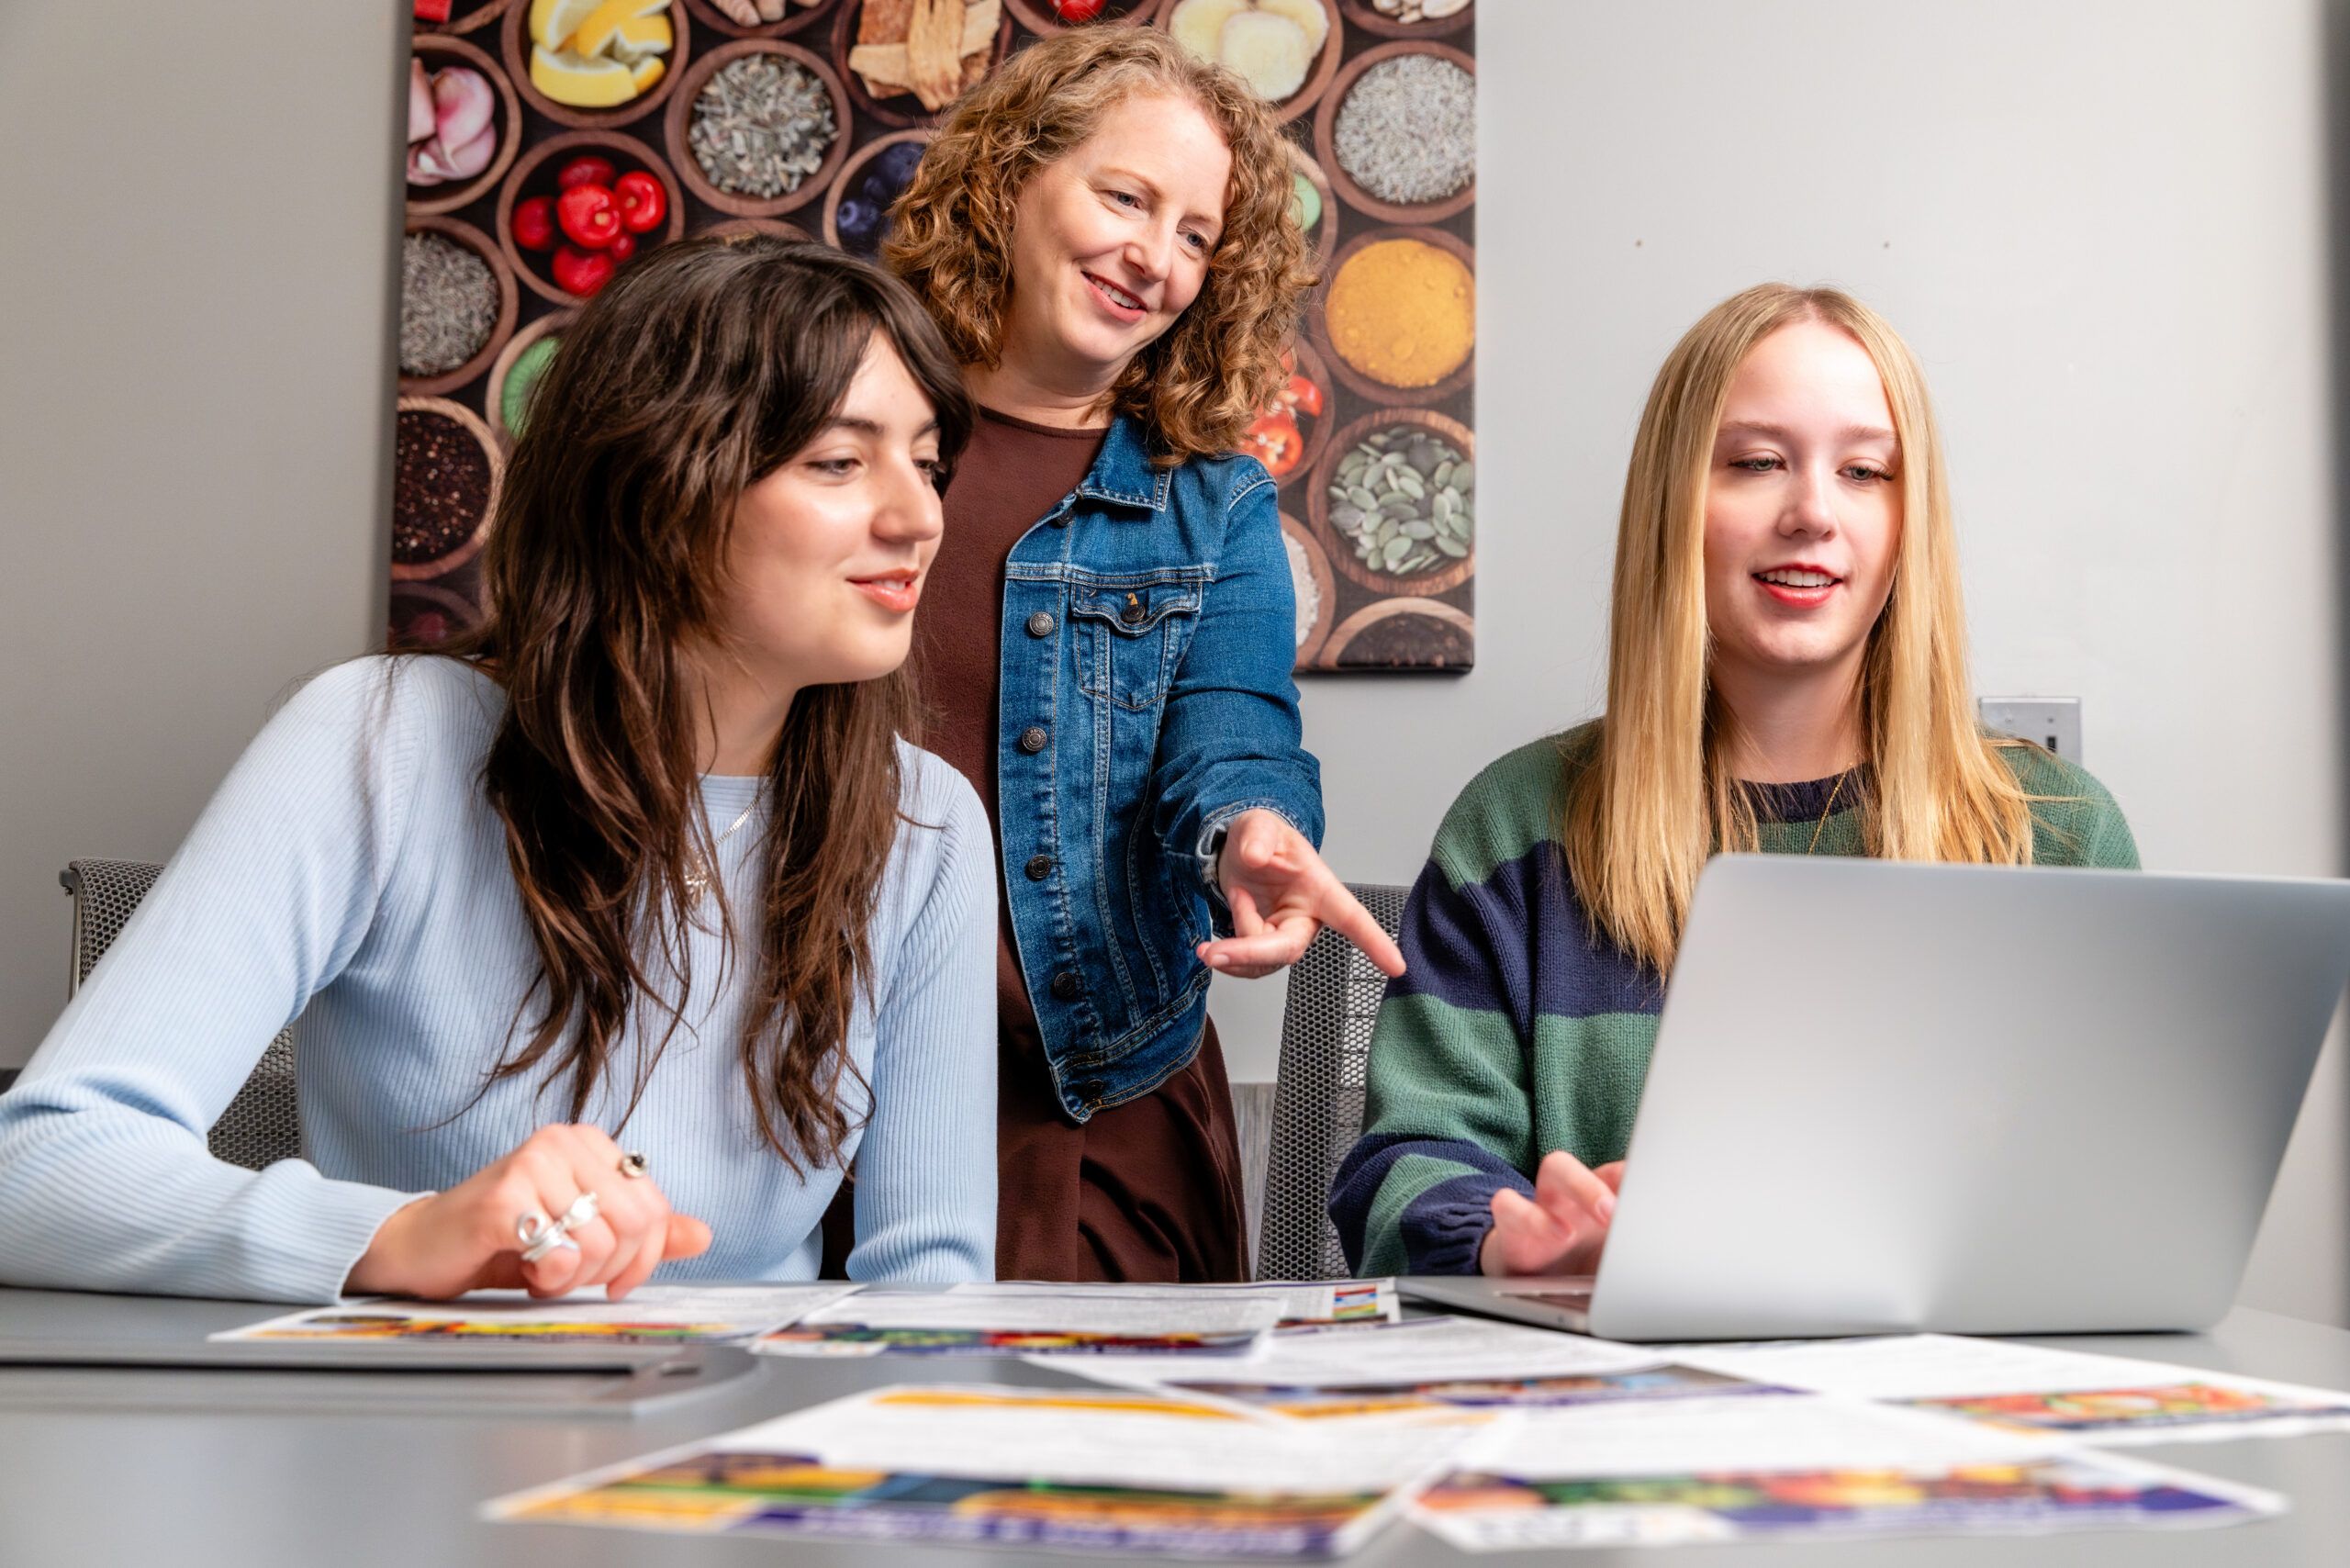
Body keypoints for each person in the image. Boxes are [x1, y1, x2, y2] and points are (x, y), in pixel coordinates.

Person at [0, 239, 998, 1303]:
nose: (918, 517)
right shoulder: (377, 741)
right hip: (403, 1440)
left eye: (928, 463)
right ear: (653, 485)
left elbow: (929, 1286)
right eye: (839, 462)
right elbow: (40, 1166)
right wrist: (401, 1235)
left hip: (744, 1452)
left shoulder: (925, 822)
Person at [1332, 284, 2138, 1280]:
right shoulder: (1514, 826)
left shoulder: (2058, 834)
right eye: (1757, 463)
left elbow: (2120, 1200)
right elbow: (1407, 1169)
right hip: (1610, 1402)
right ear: (1676, 502)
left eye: (1865, 471)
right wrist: (1514, 1240)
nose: (1811, 512)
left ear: (1908, 519)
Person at [882, 28, 1404, 1282]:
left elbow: (1236, 733)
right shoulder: (841, 425)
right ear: (1011, 178)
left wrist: (1252, 834)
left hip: (1088, 1102)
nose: (1154, 257)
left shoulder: (1208, 500)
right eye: (1126, 197)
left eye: (1195, 234)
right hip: (814, 1085)